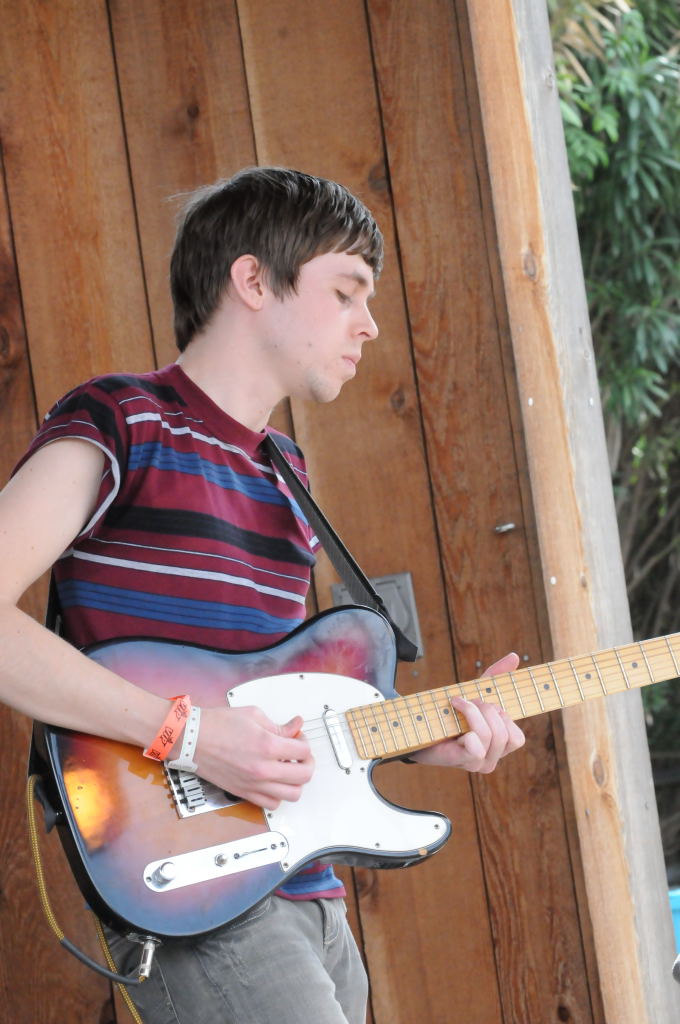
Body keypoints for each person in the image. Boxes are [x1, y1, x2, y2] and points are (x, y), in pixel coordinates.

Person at [0, 167, 525, 1023]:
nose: (369, 324)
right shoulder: (122, 420)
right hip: (193, 885)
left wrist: (422, 738)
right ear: (253, 280)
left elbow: (273, 705)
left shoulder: (288, 475)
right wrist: (188, 736)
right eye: (346, 292)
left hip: (307, 890)